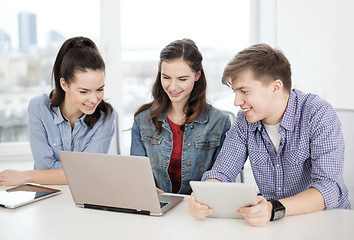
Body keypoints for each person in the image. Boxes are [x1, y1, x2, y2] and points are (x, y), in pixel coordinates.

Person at [187, 43, 351, 226]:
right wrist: (204, 196)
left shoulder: (317, 114)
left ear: (275, 87)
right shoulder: (245, 121)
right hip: (272, 223)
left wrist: (274, 209)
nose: (237, 101)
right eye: (235, 92)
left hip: (325, 222)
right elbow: (222, 172)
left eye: (244, 91)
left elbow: (328, 188)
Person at [0, 36, 115, 186]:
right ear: (64, 84)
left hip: (87, 201)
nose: (94, 99)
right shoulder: (38, 107)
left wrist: (26, 176)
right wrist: (76, 173)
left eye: (100, 89)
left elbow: (88, 173)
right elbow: (44, 166)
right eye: (84, 91)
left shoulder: (106, 115)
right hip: (46, 200)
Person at [130, 39, 231, 195]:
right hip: (157, 206)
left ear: (197, 75)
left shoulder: (219, 122)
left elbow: (223, 176)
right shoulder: (143, 120)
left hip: (201, 207)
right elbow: (136, 173)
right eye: (166, 77)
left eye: (182, 79)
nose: (173, 87)